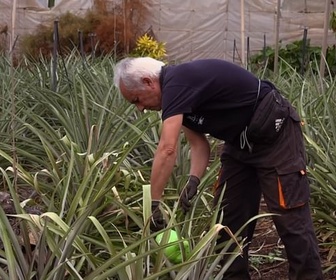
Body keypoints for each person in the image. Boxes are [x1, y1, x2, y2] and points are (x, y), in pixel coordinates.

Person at [113, 57, 323, 280]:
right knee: (229, 215)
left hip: (275, 134)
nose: (141, 108)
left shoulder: (176, 83)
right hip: (240, 143)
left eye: (137, 100)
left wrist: (154, 203)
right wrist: (194, 179)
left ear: (148, 82)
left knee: (289, 215)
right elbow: (199, 144)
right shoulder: (176, 94)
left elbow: (167, 149)